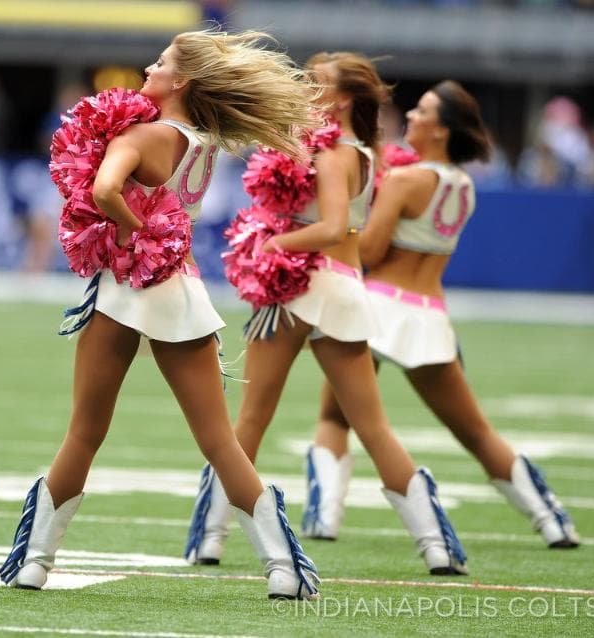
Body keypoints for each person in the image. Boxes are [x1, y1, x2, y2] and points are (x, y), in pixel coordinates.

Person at [0, 30, 324, 600]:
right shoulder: (202, 144)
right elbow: (175, 218)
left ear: (182, 82)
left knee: (84, 432)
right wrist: (160, 239)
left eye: (162, 62)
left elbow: (102, 189)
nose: (149, 67)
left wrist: (132, 228)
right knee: (220, 441)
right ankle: (285, 568)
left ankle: (35, 562)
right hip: (180, 293)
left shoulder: (145, 134)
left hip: (125, 292)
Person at [185, 52, 469, 576]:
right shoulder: (362, 151)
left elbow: (335, 226)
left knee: (248, 419)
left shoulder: (336, 152)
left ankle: (209, 535)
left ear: (341, 100)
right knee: (373, 426)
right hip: (343, 290)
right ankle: (437, 544)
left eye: (316, 83)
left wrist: (274, 242)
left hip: (300, 284)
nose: (307, 88)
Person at [309, 81, 580, 549]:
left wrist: (346, 214)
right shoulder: (464, 185)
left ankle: (324, 519)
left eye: (424, 110)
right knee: (475, 431)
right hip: (430, 317)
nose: (411, 115)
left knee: (336, 418)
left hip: (379, 308)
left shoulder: (405, 180)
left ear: (442, 130)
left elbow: (369, 249)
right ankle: (551, 518)